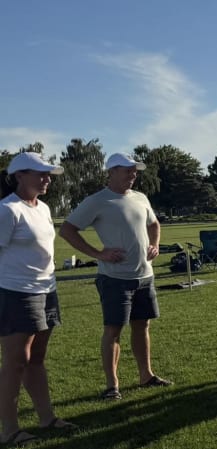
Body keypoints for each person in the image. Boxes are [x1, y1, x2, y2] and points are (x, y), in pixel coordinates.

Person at [60, 153, 171, 400]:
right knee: (114, 330)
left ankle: (146, 375)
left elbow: (154, 224)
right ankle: (113, 386)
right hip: (115, 279)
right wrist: (98, 253)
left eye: (135, 171)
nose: (133, 175)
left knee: (143, 326)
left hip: (144, 276)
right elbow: (67, 230)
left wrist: (155, 245)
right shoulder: (97, 201)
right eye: (128, 171)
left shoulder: (140, 198)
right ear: (111, 171)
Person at [0, 153, 76, 447]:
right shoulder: (8, 210)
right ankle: (9, 429)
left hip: (46, 289)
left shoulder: (43, 208)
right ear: (19, 176)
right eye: (39, 173)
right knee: (15, 362)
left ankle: (46, 418)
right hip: (16, 292)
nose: (46, 179)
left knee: (37, 359)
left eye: (48, 175)